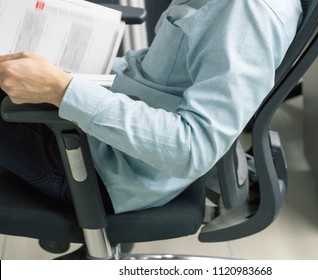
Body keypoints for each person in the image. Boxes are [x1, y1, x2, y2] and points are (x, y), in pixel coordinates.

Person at [0, 0, 302, 214]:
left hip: (102, 166)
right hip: (109, 130)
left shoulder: (249, 15)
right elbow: (172, 73)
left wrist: (61, 89)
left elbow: (193, 149)